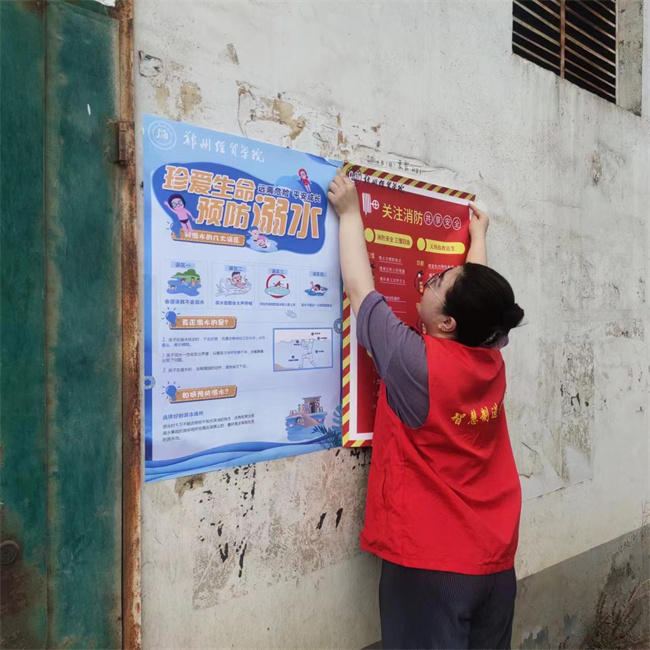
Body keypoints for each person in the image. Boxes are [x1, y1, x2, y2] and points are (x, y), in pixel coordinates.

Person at [328, 169, 524, 650]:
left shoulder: (415, 363)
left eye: (437, 281)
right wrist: (478, 237)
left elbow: (360, 290)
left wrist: (350, 213)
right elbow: (476, 303)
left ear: (447, 322)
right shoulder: (489, 358)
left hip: (432, 566)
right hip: (494, 562)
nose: (429, 279)